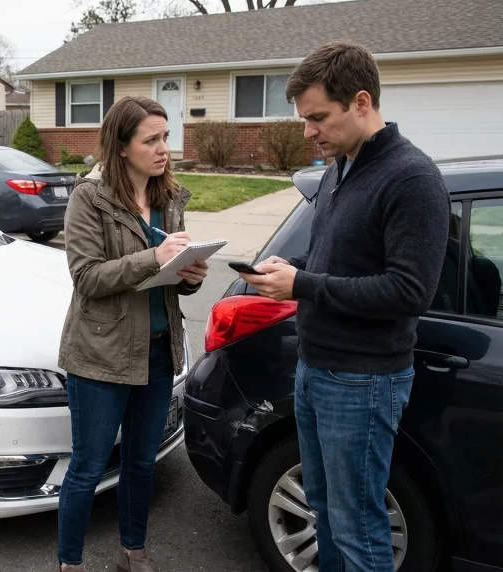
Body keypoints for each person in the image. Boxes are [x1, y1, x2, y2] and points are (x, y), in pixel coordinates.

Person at [238, 41, 450, 572]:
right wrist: (292, 266)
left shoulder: (412, 178)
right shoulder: (341, 167)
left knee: (358, 528)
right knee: (326, 511)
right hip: (315, 368)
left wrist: (303, 284)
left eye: (318, 118)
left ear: (361, 101)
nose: (309, 131)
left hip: (363, 381)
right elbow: (338, 255)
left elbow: (408, 292)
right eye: (305, 119)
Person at [56, 95, 208, 572]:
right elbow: (87, 277)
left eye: (166, 137)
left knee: (142, 464)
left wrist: (191, 275)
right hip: (101, 356)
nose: (164, 148)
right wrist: (154, 258)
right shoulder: (90, 198)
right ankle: (70, 563)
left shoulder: (168, 199)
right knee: (88, 468)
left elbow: (170, 280)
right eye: (151, 140)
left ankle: (133, 553)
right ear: (122, 147)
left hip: (159, 353)